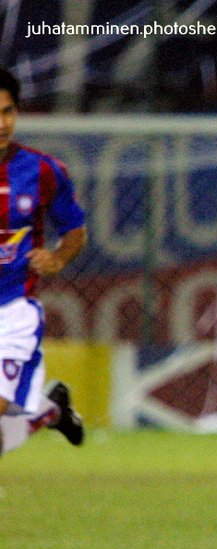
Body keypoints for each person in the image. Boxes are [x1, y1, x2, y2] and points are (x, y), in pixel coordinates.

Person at [0, 66, 87, 458]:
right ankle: (50, 411)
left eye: (7, 111)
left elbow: (75, 230)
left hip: (12, 313)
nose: (1, 123)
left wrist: (56, 259)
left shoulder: (43, 170)